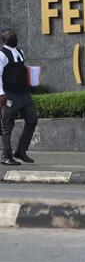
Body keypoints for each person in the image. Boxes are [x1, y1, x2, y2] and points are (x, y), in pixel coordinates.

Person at [0, 28, 38, 166]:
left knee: (32, 119)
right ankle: (6, 156)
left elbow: (19, 69)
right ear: (4, 39)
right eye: (11, 36)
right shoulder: (1, 55)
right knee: (7, 126)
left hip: (24, 94)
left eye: (14, 35)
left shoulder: (20, 52)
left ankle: (21, 151)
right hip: (9, 94)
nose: (14, 38)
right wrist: (1, 94)